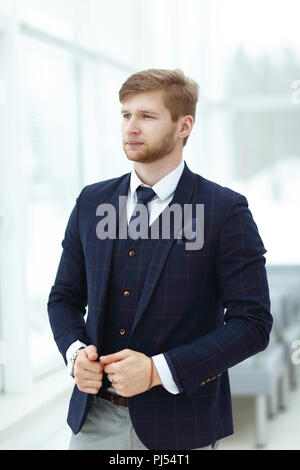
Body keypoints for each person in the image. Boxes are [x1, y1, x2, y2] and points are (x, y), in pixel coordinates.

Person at [47, 68, 273, 451]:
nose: (131, 127)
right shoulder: (91, 202)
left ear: (184, 126)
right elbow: (64, 298)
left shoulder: (224, 211)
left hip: (183, 424)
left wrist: (157, 371)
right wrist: (75, 354)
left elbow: (253, 324)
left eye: (147, 116)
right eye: (126, 115)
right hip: (94, 423)